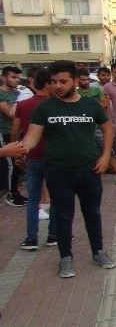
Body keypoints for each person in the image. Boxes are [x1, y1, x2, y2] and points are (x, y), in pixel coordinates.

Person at [21, 60, 116, 278]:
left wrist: (104, 157)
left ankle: (98, 251)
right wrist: (19, 148)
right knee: (63, 216)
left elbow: (108, 129)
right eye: (54, 82)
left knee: (92, 213)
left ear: (75, 81)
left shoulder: (90, 105)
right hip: (57, 172)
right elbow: (32, 136)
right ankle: (65, 258)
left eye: (63, 81)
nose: (57, 86)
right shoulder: (44, 107)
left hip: (89, 171)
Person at [12, 69, 58, 249]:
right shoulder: (55, 105)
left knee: (33, 199)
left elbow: (16, 130)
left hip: (31, 156)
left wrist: (18, 153)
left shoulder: (23, 105)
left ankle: (31, 238)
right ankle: (53, 235)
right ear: (48, 84)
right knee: (56, 197)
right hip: (54, 158)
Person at [78, 69, 116, 185]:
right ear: (77, 80)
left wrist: (109, 120)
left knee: (109, 152)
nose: (86, 82)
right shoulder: (76, 94)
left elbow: (105, 104)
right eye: (83, 80)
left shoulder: (96, 90)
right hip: (82, 130)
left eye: (87, 79)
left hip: (97, 128)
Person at [0, 66, 28, 206]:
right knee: (10, 165)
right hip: (5, 132)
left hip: (19, 131)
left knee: (18, 164)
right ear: (4, 78)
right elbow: (11, 113)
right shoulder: (1, 94)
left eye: (18, 77)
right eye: (13, 77)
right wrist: (19, 103)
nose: (16, 80)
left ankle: (16, 191)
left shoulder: (18, 92)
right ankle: (11, 194)